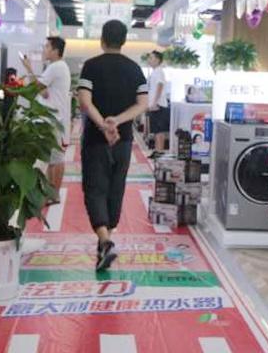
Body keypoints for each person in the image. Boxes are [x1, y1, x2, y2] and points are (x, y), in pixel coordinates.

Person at [77, 20, 148, 271]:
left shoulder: (91, 66)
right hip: (123, 140)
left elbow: (85, 102)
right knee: (116, 189)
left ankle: (105, 241)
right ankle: (104, 245)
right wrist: (117, 122)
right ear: (124, 41)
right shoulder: (135, 69)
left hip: (96, 140)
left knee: (95, 189)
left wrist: (103, 125)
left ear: (102, 40)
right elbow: (142, 104)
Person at [22, 37, 71, 204]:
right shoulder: (58, 66)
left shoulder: (56, 66)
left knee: (56, 159)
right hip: (54, 119)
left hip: (54, 120)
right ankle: (52, 193)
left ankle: (54, 194)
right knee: (52, 159)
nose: (44, 50)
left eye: (47, 47)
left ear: (56, 50)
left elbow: (37, 87)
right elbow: (45, 93)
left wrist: (28, 68)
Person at [146, 50, 169, 157]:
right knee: (155, 130)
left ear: (157, 60)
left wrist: (155, 102)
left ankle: (160, 151)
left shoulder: (159, 71)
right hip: (154, 105)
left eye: (151, 58)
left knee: (159, 130)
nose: (149, 60)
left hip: (159, 105)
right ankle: (157, 150)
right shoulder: (155, 71)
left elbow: (160, 86)